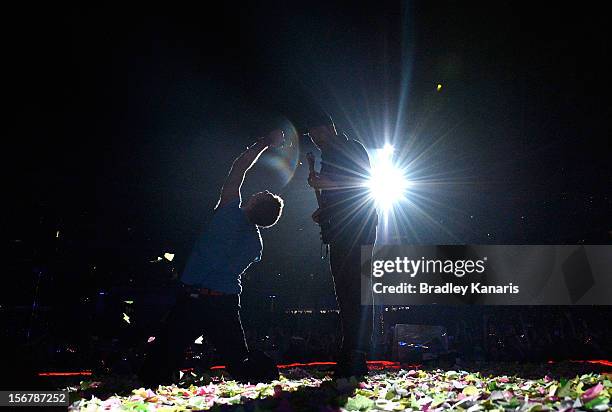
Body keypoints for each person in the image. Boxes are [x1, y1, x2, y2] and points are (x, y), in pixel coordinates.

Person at [139, 129, 285, 386]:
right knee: (240, 365)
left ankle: (155, 377)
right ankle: (266, 376)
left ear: (253, 202)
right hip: (224, 304)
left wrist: (264, 143)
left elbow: (238, 168)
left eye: (259, 194)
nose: (256, 192)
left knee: (160, 360)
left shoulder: (229, 210)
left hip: (193, 299)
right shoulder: (256, 245)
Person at [306, 114, 378, 377]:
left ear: (330, 128)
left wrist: (328, 183)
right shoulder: (330, 155)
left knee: (355, 291)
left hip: (357, 229)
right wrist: (323, 212)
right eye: (313, 138)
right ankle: (350, 352)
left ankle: (357, 354)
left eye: (318, 135)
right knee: (346, 293)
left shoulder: (350, 148)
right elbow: (340, 197)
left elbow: (365, 183)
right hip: (341, 230)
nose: (316, 141)